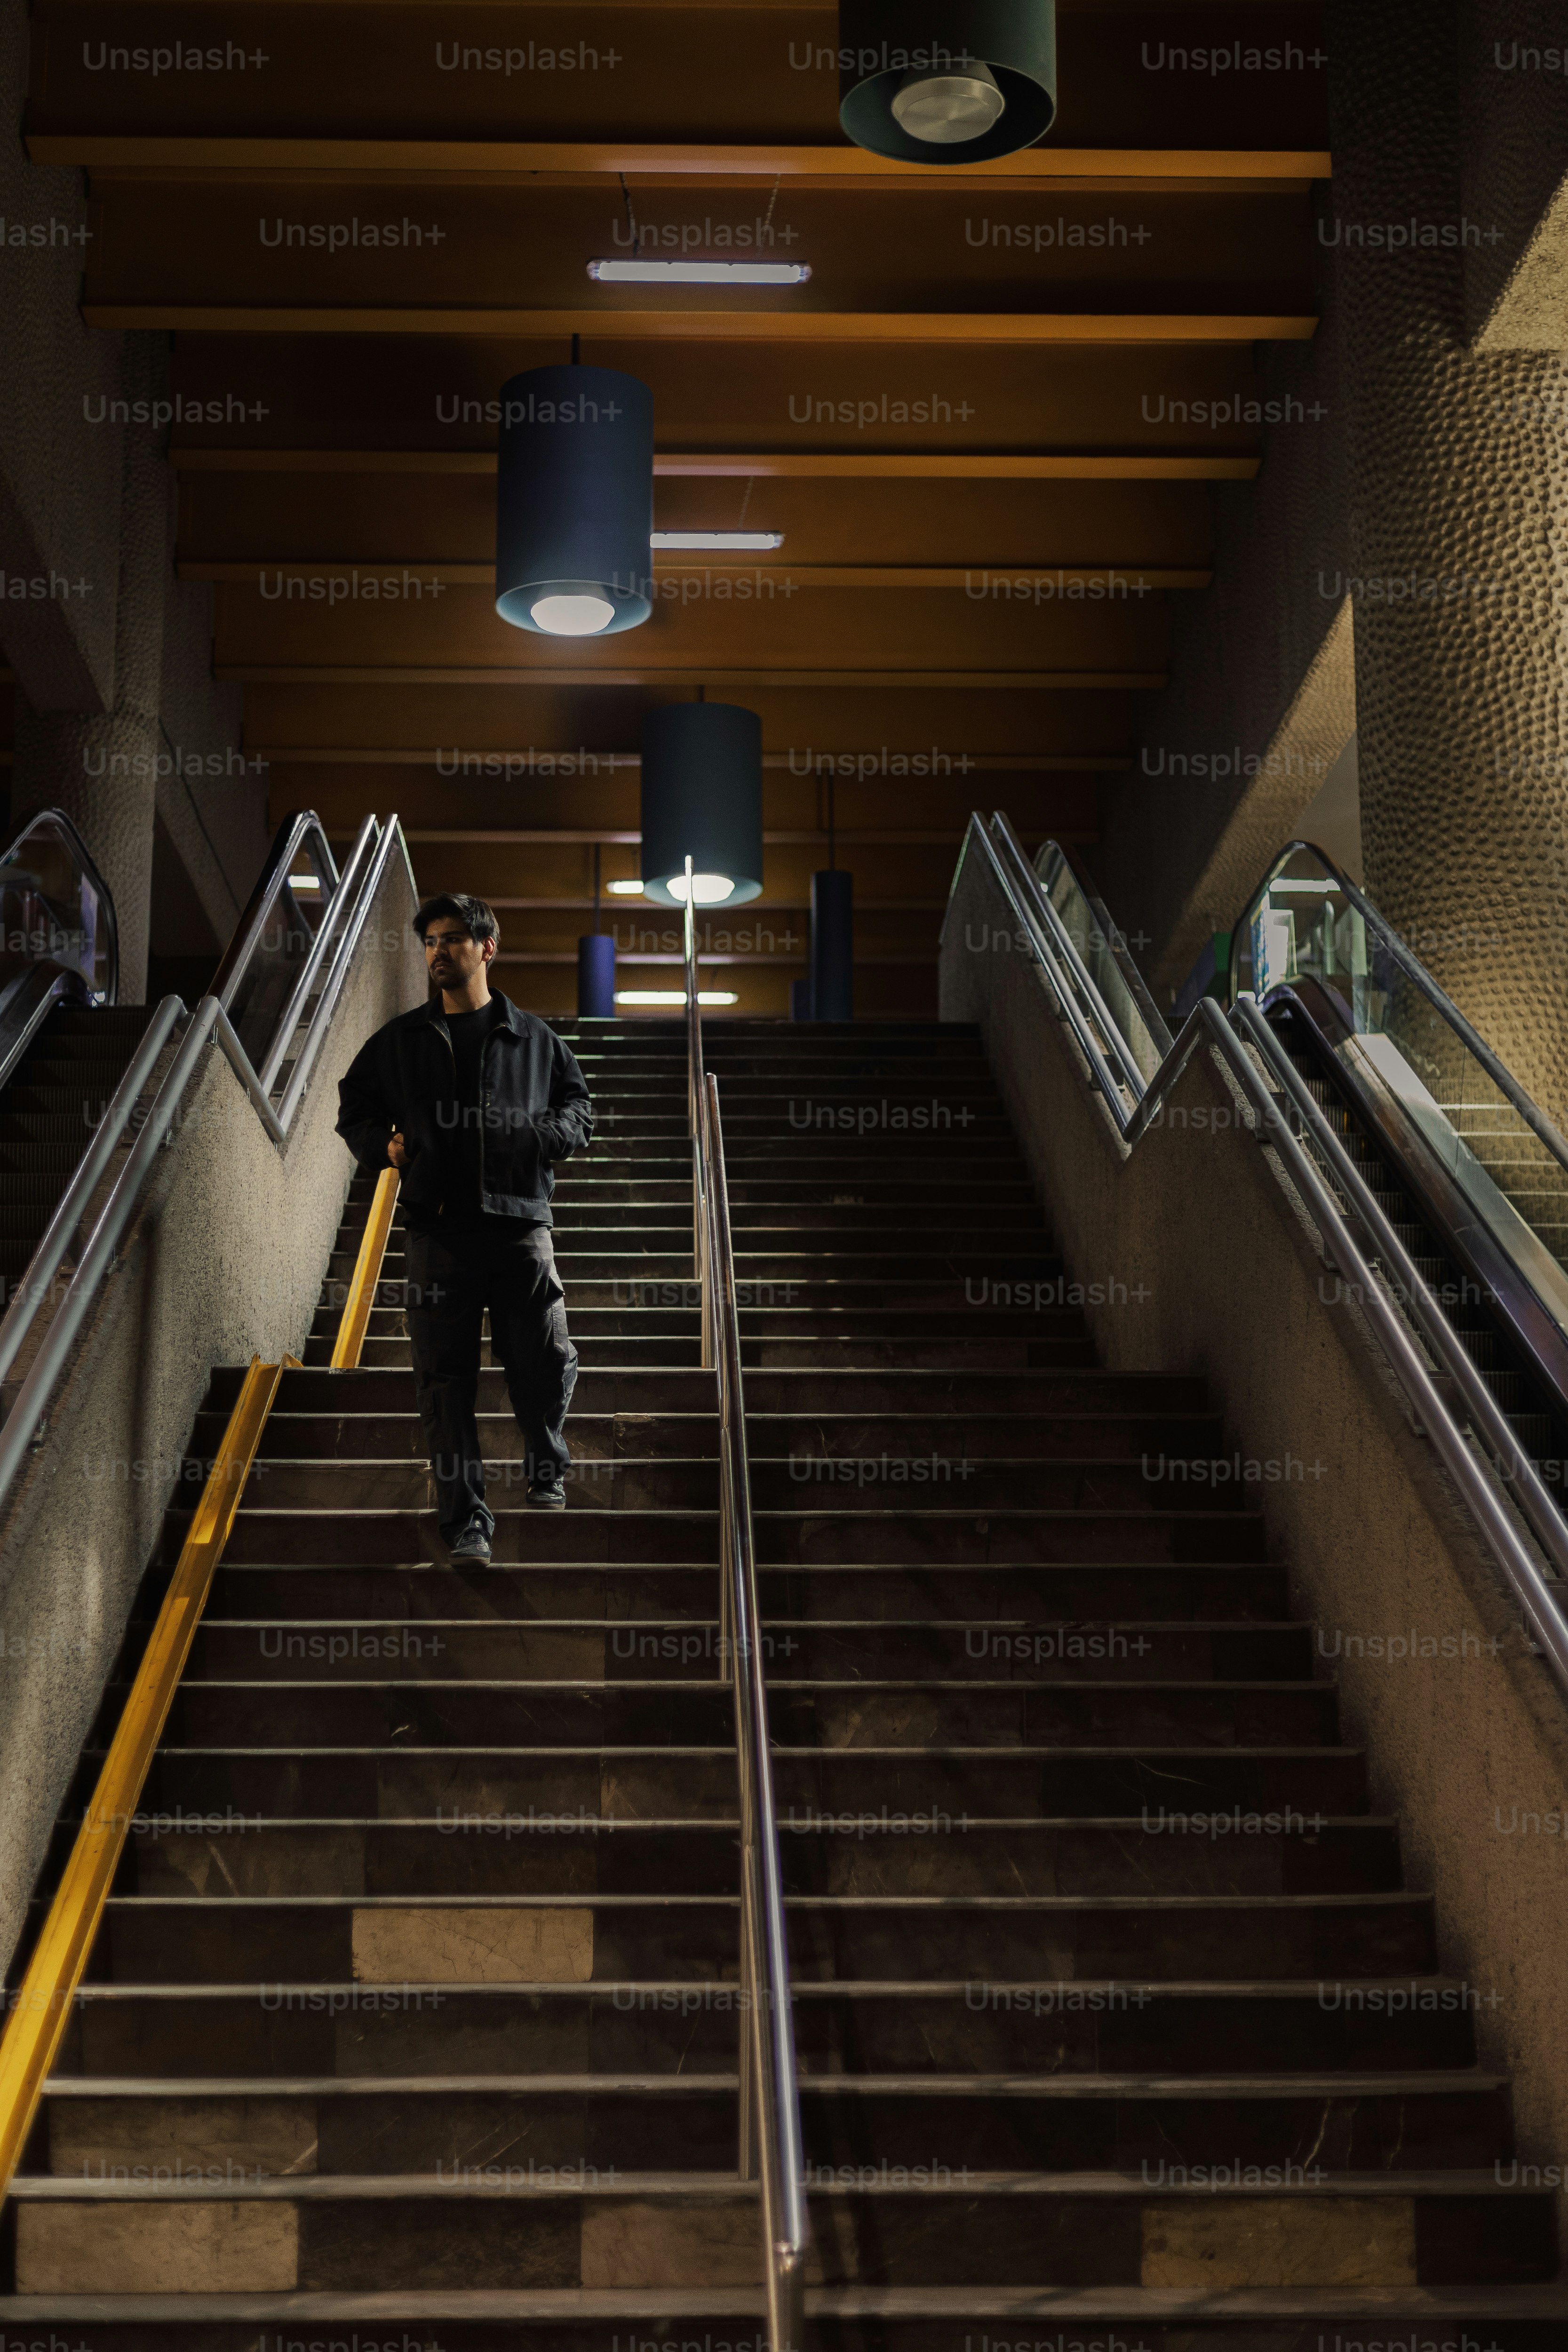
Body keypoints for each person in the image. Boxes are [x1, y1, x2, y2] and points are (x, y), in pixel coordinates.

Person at [335, 891, 593, 1559]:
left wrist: (544, 1137)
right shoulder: (400, 1041)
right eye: (429, 942)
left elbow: (578, 1109)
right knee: (443, 1383)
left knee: (542, 1360)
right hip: (436, 1231)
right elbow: (354, 1108)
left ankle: (545, 1464)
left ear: (487, 947)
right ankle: (466, 1522)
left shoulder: (535, 1039)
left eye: (451, 939)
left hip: (517, 1226)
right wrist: (382, 1146)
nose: (437, 952)